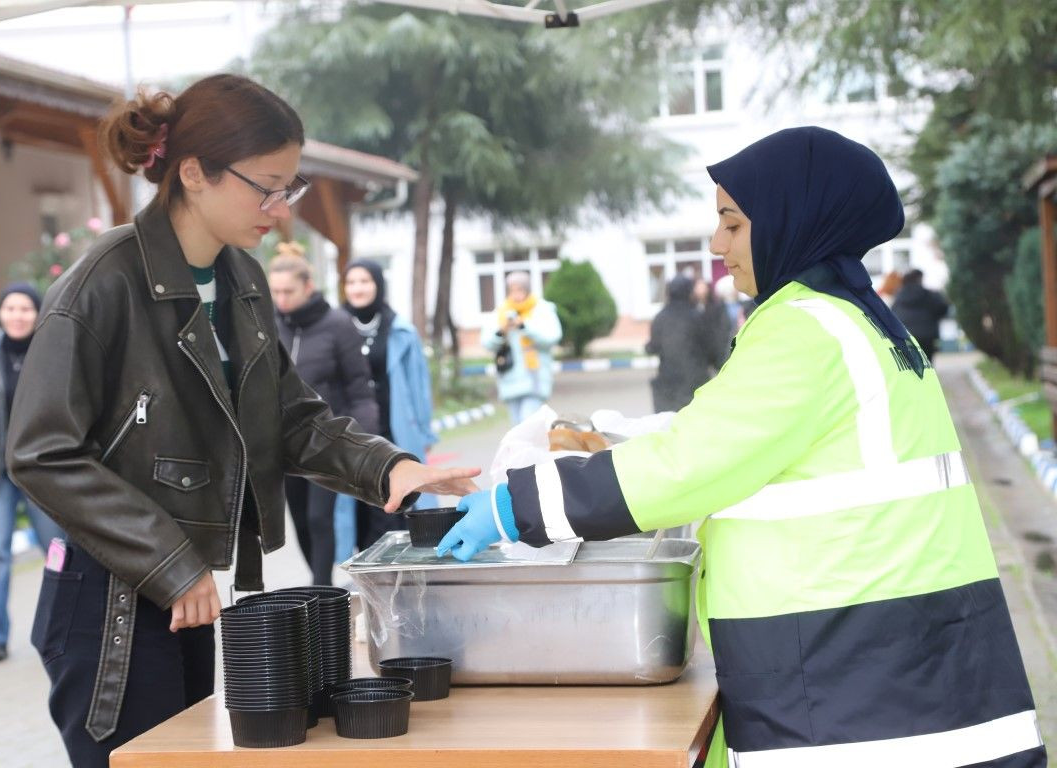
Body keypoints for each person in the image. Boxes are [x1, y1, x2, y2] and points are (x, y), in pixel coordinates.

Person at [438, 127, 1045, 768]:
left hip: (855, 679)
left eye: (731, 223)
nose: (716, 245)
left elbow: (690, 464)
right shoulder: (857, 318)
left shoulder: (803, 330)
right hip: (905, 657)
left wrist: (513, 507)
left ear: (791, 218)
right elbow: (743, 436)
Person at [5, 74, 478, 767]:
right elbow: (41, 454)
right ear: (193, 172)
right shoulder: (103, 282)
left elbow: (289, 418)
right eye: (267, 186)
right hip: (109, 602)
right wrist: (168, 561)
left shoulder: (243, 280)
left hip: (186, 589)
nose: (282, 209)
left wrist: (392, 467)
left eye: (291, 187)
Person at [0, 282, 65, 664]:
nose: (17, 316)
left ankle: (61, 631)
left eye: (25, 309)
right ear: (0, 313)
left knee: (58, 552)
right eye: (10, 308)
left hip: (40, 472)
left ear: (37, 313)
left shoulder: (51, 350)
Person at [268, 249, 379, 585]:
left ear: (308, 286)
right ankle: (319, 582)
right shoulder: (268, 324)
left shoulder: (337, 324)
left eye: (288, 291)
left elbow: (359, 388)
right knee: (299, 519)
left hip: (326, 439)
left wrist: (366, 442)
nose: (281, 299)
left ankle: (320, 590)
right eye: (276, 292)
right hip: (283, 442)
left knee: (319, 517)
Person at [336, 259, 440, 553]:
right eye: (351, 282)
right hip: (352, 433)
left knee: (401, 499)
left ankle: (405, 568)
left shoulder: (400, 330)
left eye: (365, 281)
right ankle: (370, 569)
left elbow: (419, 385)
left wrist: (424, 431)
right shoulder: (334, 326)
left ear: (378, 285)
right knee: (360, 507)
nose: (358, 288)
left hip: (395, 429)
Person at [480, 271, 562, 424]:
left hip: (534, 377)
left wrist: (524, 327)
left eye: (520, 290)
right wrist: (502, 331)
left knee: (528, 422)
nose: (516, 294)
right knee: (517, 426)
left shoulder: (542, 309)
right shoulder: (501, 312)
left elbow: (553, 336)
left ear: (527, 290)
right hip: (510, 379)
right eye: (512, 290)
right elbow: (486, 342)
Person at [646, 275, 731, 413]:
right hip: (695, 384)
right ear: (688, 292)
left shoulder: (660, 317)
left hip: (668, 385)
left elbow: (653, 347)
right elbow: (711, 347)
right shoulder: (697, 316)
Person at [892, 268, 950, 363]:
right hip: (927, 336)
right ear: (919, 279)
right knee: (927, 363)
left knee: (910, 365)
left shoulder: (898, 297)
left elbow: (892, 315)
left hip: (906, 335)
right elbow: (943, 308)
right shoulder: (929, 294)